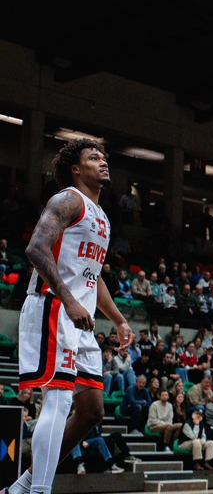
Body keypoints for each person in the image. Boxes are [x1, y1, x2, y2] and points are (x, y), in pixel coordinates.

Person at [7, 140, 136, 494]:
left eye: (104, 156)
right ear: (77, 169)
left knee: (92, 410)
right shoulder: (68, 199)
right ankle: (38, 491)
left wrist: (120, 319)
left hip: (78, 317)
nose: (104, 162)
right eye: (94, 158)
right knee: (60, 398)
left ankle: (23, 485)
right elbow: (36, 248)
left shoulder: (101, 215)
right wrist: (69, 300)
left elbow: (92, 276)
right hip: (52, 305)